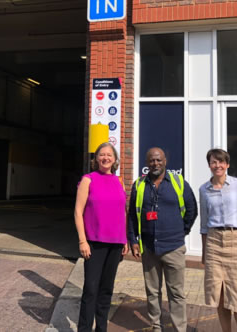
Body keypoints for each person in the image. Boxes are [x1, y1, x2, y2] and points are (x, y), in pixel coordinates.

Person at [127, 147, 197, 332]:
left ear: (165, 161)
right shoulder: (139, 185)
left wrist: (182, 231)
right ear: (146, 163)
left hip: (173, 247)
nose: (155, 164)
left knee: (176, 293)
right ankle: (156, 327)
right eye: (151, 161)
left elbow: (192, 210)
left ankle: (179, 329)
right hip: (149, 248)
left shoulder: (179, 182)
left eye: (158, 160)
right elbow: (133, 216)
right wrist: (133, 241)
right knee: (152, 292)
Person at [199, 148, 237, 332]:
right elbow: (203, 224)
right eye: (213, 162)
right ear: (209, 165)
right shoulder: (204, 189)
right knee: (220, 295)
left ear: (227, 164)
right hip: (214, 242)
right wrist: (204, 252)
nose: (217, 165)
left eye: (221, 162)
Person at [74, 142, 129, 332]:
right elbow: (78, 212)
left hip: (115, 243)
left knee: (106, 291)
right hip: (94, 243)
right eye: (102, 155)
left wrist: (125, 239)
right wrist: (83, 240)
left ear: (114, 160)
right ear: (96, 159)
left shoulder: (119, 181)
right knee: (90, 289)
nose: (105, 158)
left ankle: (101, 329)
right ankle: (84, 329)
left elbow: (123, 212)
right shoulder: (88, 179)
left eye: (109, 155)